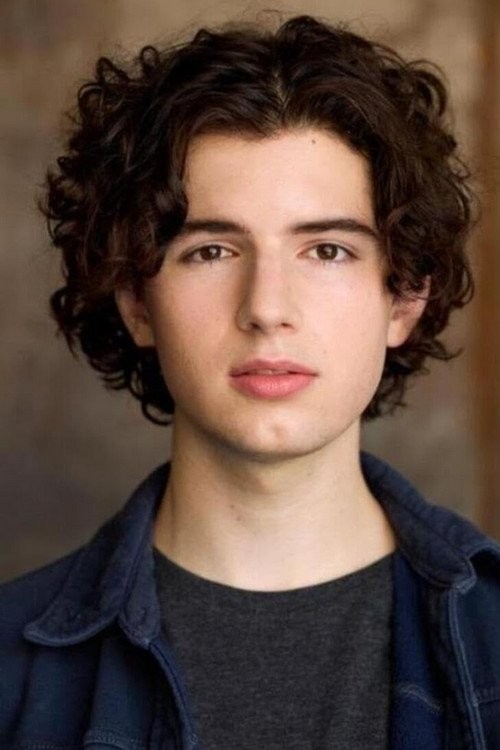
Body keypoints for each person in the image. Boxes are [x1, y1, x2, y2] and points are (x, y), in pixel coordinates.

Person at [1, 12, 498, 750]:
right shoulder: (11, 673)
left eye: (326, 250)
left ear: (404, 298)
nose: (266, 308)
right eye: (211, 251)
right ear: (136, 301)